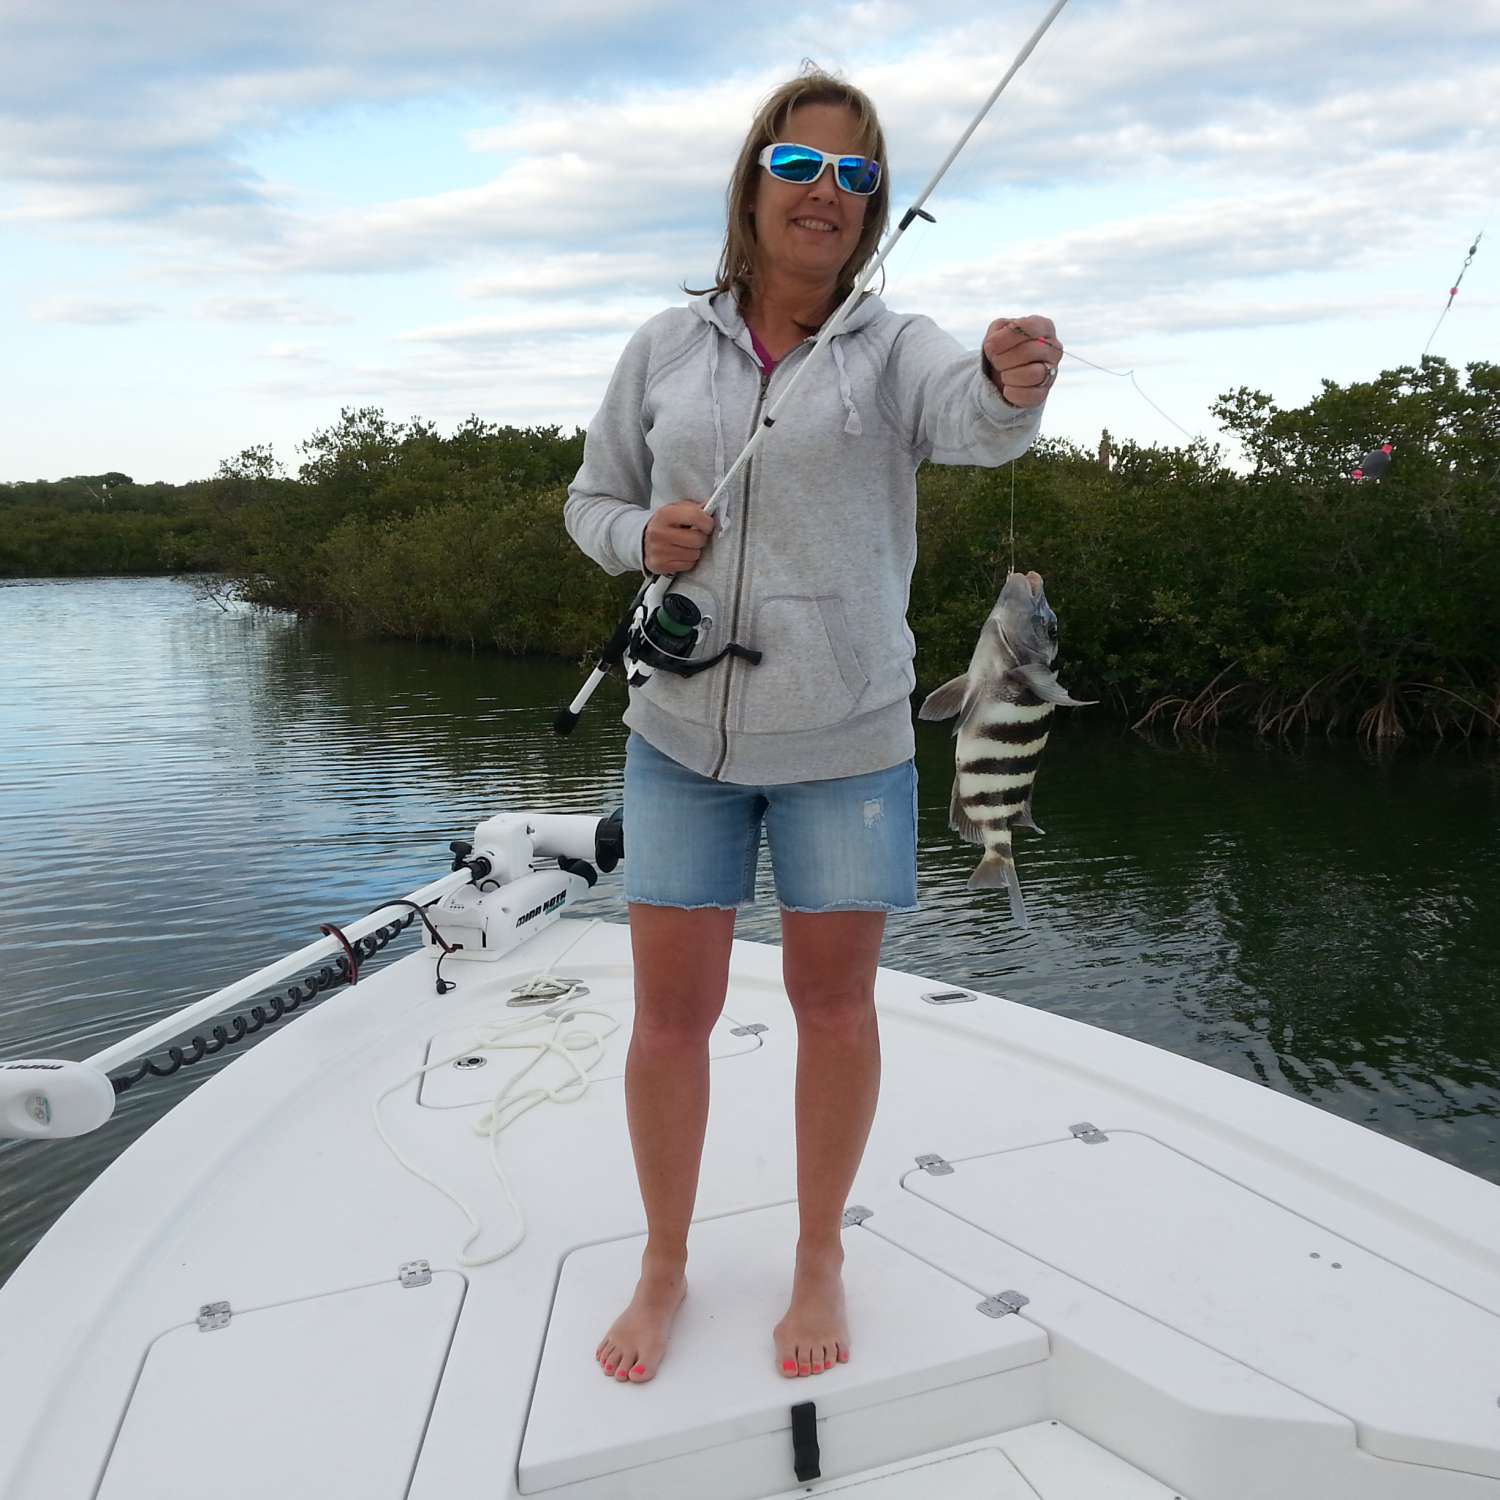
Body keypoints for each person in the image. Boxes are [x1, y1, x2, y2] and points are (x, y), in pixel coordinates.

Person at [563, 66, 1059, 1386]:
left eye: (854, 176)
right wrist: (637, 535)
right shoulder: (664, 349)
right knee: (670, 1019)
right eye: (802, 169)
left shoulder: (900, 349)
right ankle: (665, 1260)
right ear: (753, 183)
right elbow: (590, 501)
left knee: (834, 1010)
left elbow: (979, 425)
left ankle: (819, 1252)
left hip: (848, 746)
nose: (826, 195)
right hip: (677, 740)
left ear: (876, 203)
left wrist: (1015, 385)